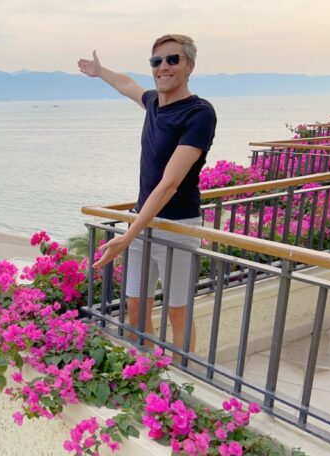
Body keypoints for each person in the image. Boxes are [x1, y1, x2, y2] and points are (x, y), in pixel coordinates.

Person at [79, 34, 217, 355]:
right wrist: (101, 72)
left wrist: (128, 236)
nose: (163, 67)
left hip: (177, 226)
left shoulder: (199, 113)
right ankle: (149, 368)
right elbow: (127, 85)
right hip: (142, 221)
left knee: (177, 311)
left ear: (189, 66)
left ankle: (183, 376)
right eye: (157, 62)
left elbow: (169, 184)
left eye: (172, 60)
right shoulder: (154, 102)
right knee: (135, 306)